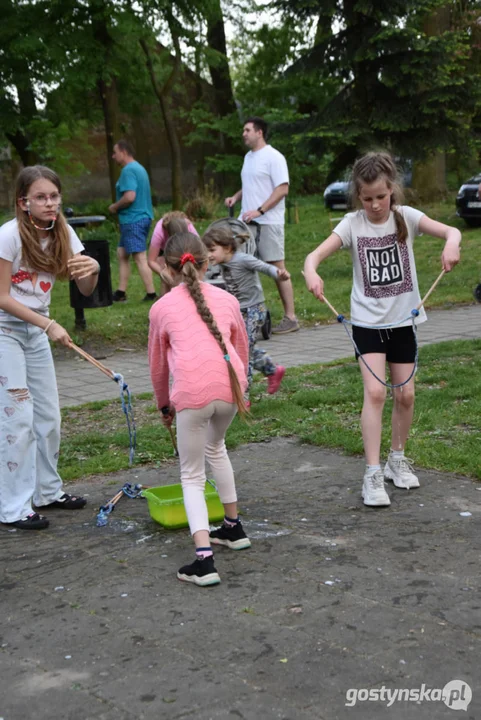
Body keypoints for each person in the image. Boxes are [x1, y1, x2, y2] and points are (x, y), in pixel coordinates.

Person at [303, 152, 461, 507]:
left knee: (405, 396)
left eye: (381, 196)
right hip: (368, 324)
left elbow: (452, 230)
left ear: (392, 191)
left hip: (404, 321)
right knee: (375, 393)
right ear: (358, 196)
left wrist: (452, 244)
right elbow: (311, 257)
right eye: (368, 198)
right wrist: (312, 272)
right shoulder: (351, 225)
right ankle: (372, 474)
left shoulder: (407, 217)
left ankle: (396, 459)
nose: (375, 205)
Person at [0, 166, 101, 530]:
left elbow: (86, 289)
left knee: (49, 417)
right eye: (41, 197)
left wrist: (94, 269)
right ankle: (12, 508)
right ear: (23, 202)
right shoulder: (8, 236)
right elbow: (1, 298)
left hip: (37, 333)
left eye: (54, 196)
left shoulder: (63, 231)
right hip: (6, 332)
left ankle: (47, 491)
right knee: (18, 419)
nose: (50, 203)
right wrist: (48, 324)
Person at [148, 232, 251, 587]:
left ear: (167, 268)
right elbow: (242, 349)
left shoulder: (160, 309)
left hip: (191, 394)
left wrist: (164, 406)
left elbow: (158, 368)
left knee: (191, 475)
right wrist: (243, 392)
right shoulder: (228, 300)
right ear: (206, 263)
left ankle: (204, 562)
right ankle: (233, 529)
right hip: (230, 389)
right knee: (216, 447)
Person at [225, 116, 299, 334]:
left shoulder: (274, 157)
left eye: (247, 130)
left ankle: (291, 318)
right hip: (246, 224)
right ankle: (250, 314)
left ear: (259, 132)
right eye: (243, 130)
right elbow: (251, 185)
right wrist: (236, 197)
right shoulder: (248, 157)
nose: (243, 134)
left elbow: (282, 189)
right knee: (240, 265)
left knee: (277, 269)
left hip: (268, 221)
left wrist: (260, 210)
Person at [202, 226, 287, 404]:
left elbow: (264, 267)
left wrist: (279, 274)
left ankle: (244, 397)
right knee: (243, 348)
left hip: (254, 310)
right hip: (240, 312)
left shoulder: (243, 259)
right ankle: (272, 370)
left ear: (227, 248)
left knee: (242, 353)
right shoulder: (223, 264)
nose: (209, 255)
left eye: (212, 250)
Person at [109, 139, 157, 302]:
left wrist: (115, 206)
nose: (113, 156)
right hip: (139, 217)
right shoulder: (139, 168)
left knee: (139, 256)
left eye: (115, 153)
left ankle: (151, 294)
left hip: (133, 219)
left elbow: (130, 197)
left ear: (123, 152)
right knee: (122, 253)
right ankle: (120, 292)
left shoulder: (128, 170)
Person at [147, 211, 198, 294]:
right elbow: (151, 261)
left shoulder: (189, 227)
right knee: (167, 278)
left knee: (183, 276)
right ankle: (164, 302)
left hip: (185, 248)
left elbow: (201, 253)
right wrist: (163, 273)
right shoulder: (159, 231)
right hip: (164, 249)